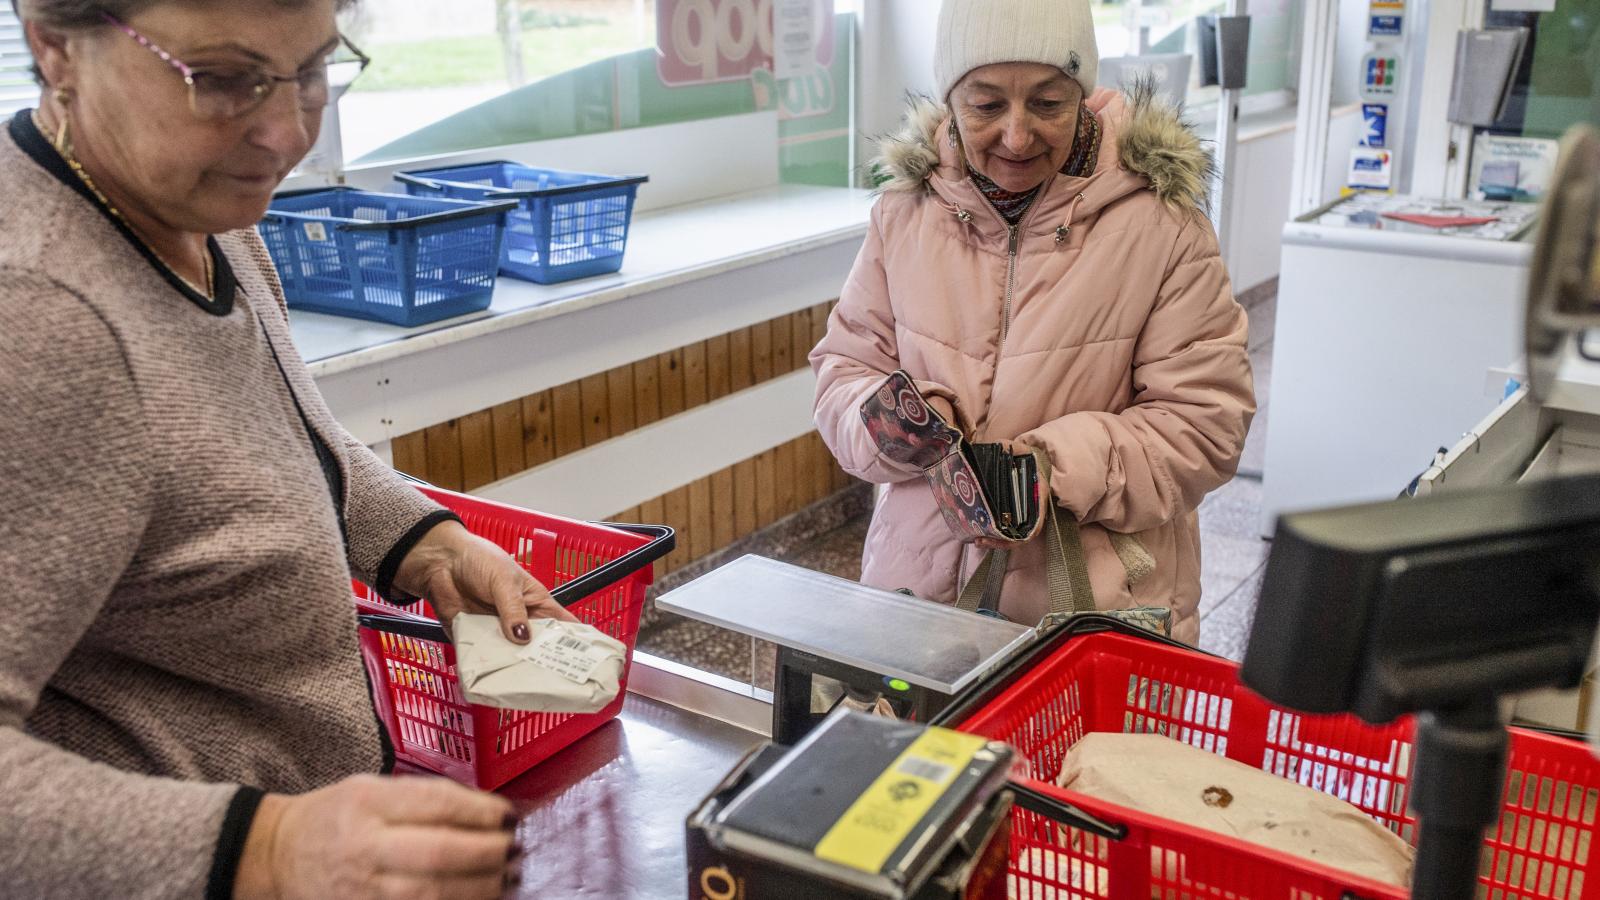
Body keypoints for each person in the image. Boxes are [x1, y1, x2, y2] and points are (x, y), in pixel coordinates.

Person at [0, 1, 574, 897]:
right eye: (223, 79)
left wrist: (428, 545)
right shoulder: (40, 321)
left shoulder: (204, 201)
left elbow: (266, 436)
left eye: (310, 71)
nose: (284, 132)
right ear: (54, 46)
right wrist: (268, 848)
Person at [811, 0, 1255, 644]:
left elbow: (1206, 425)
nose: (1017, 137)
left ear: (1082, 93)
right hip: (920, 596)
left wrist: (1053, 468)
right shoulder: (904, 214)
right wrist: (892, 421)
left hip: (1094, 615)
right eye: (986, 106)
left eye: (1048, 103)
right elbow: (844, 369)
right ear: (950, 100)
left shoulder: (1163, 224)